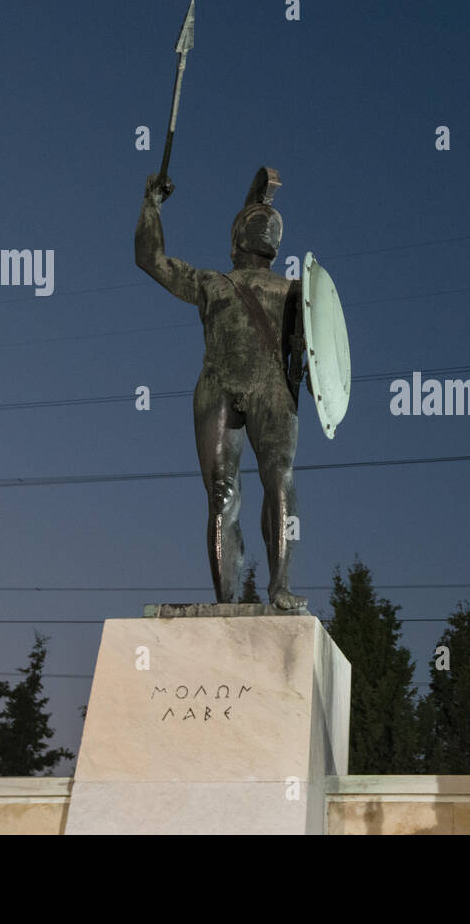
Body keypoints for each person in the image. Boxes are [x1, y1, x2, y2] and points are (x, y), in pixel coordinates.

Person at [135, 167, 309, 611]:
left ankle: (274, 587)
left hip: (262, 388)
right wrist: (150, 207)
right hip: (222, 387)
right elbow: (151, 260)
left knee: (254, 486)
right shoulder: (218, 284)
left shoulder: (292, 292)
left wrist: (152, 205)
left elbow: (151, 259)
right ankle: (233, 598)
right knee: (239, 489)